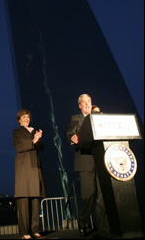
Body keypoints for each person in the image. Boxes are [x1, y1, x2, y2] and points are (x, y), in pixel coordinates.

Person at [66, 94, 109, 237]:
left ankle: (102, 227)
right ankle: (83, 222)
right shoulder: (75, 118)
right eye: (83, 103)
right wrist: (72, 138)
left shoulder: (99, 118)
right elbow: (70, 133)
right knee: (88, 195)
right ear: (80, 106)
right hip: (85, 161)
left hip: (101, 161)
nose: (86, 104)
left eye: (89, 102)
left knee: (101, 197)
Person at [13, 109, 47, 239]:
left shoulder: (33, 131)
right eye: (24, 117)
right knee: (23, 201)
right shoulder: (16, 132)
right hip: (23, 169)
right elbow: (19, 147)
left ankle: (35, 231)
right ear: (19, 120)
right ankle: (25, 233)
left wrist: (37, 139)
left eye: (28, 117)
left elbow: (42, 148)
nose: (26, 119)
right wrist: (33, 140)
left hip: (34, 168)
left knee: (34, 200)